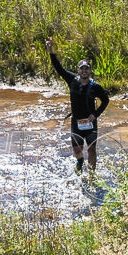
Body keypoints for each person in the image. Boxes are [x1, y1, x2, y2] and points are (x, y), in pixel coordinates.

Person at [46, 37, 109, 173]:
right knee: (77, 150)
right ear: (78, 70)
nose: (84, 70)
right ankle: (80, 160)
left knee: (92, 149)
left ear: (90, 71)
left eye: (87, 68)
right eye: (82, 68)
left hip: (91, 123)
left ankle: (92, 173)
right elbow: (59, 68)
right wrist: (51, 51)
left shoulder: (96, 86)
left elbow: (106, 100)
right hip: (76, 122)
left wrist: (96, 114)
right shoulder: (72, 80)